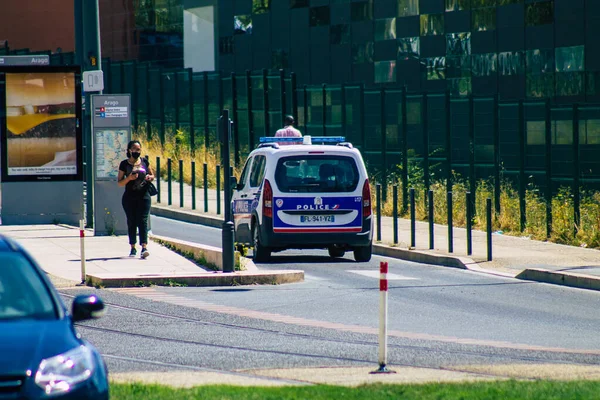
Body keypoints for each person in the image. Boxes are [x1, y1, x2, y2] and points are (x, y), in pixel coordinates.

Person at [117, 140, 155, 258]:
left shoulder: (144, 162)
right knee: (132, 221)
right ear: (129, 150)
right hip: (129, 197)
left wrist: (150, 177)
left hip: (144, 196)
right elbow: (119, 183)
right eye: (134, 149)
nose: (136, 152)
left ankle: (144, 247)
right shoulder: (124, 164)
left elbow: (152, 175)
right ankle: (132, 247)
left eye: (138, 149)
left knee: (143, 220)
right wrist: (129, 178)